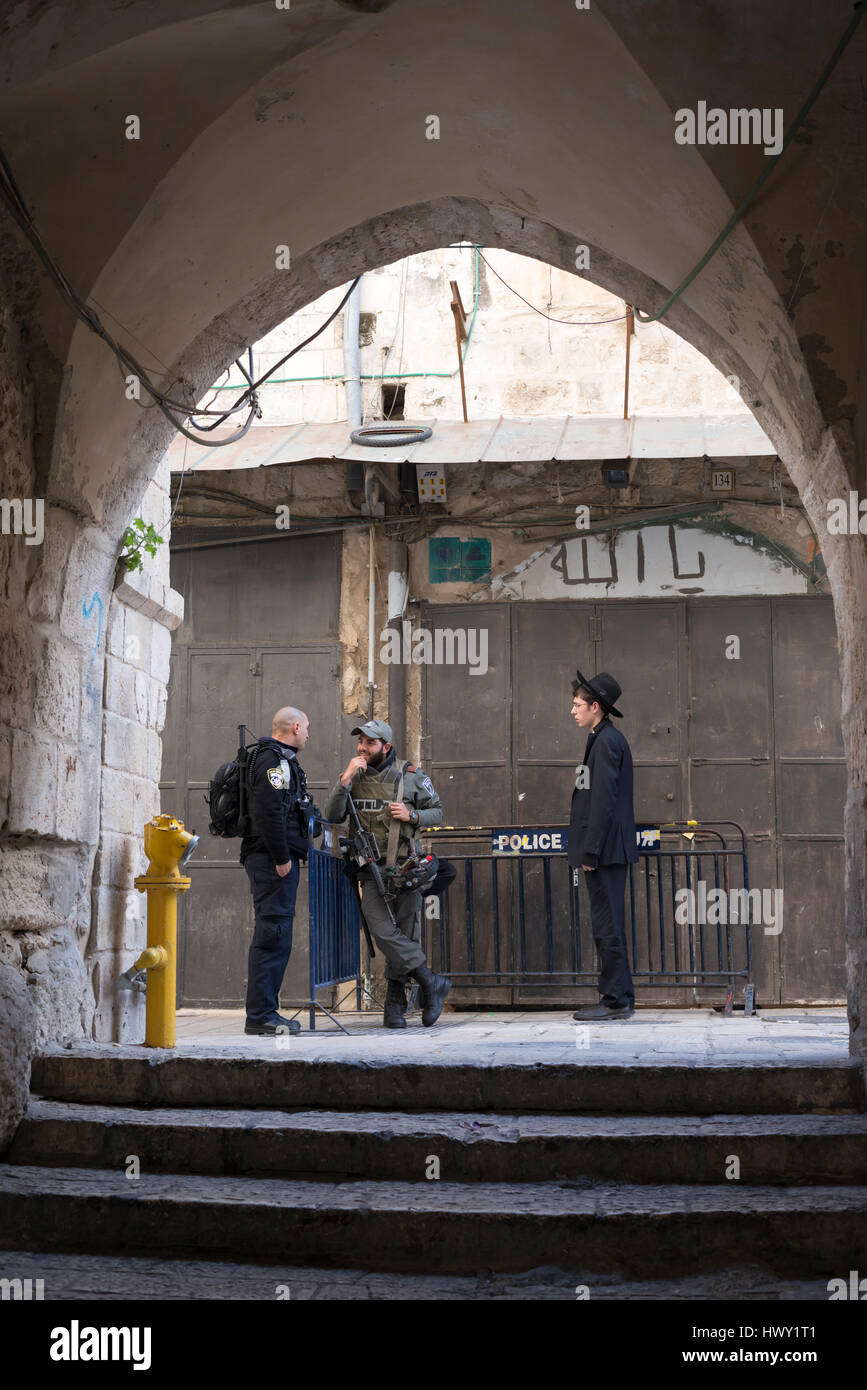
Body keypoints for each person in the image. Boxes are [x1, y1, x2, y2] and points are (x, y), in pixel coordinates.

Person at [324, 718, 451, 1029]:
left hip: (405, 867)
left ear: (386, 746)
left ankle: (394, 1003)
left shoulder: (410, 775)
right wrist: (345, 779)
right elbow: (332, 815)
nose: (362, 748)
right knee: (383, 931)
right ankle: (430, 981)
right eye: (360, 742)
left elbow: (438, 810)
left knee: (407, 932)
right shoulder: (352, 776)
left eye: (369, 743)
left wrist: (413, 814)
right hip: (369, 870)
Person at [568, 671, 639, 1021]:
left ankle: (615, 1001)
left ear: (596, 707)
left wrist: (591, 851)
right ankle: (621, 996)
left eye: (578, 705)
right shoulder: (602, 738)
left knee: (607, 927)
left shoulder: (608, 741)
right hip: (606, 851)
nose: (573, 711)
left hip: (606, 853)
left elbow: (604, 802)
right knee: (607, 926)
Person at [240, 706, 314, 1036]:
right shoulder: (272, 761)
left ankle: (265, 1011)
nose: (309, 734)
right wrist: (282, 858)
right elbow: (269, 811)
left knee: (276, 934)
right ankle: (260, 1015)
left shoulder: (282, 760)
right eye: (307, 728)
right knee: (273, 935)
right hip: (273, 863)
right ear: (295, 727)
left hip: (274, 860)